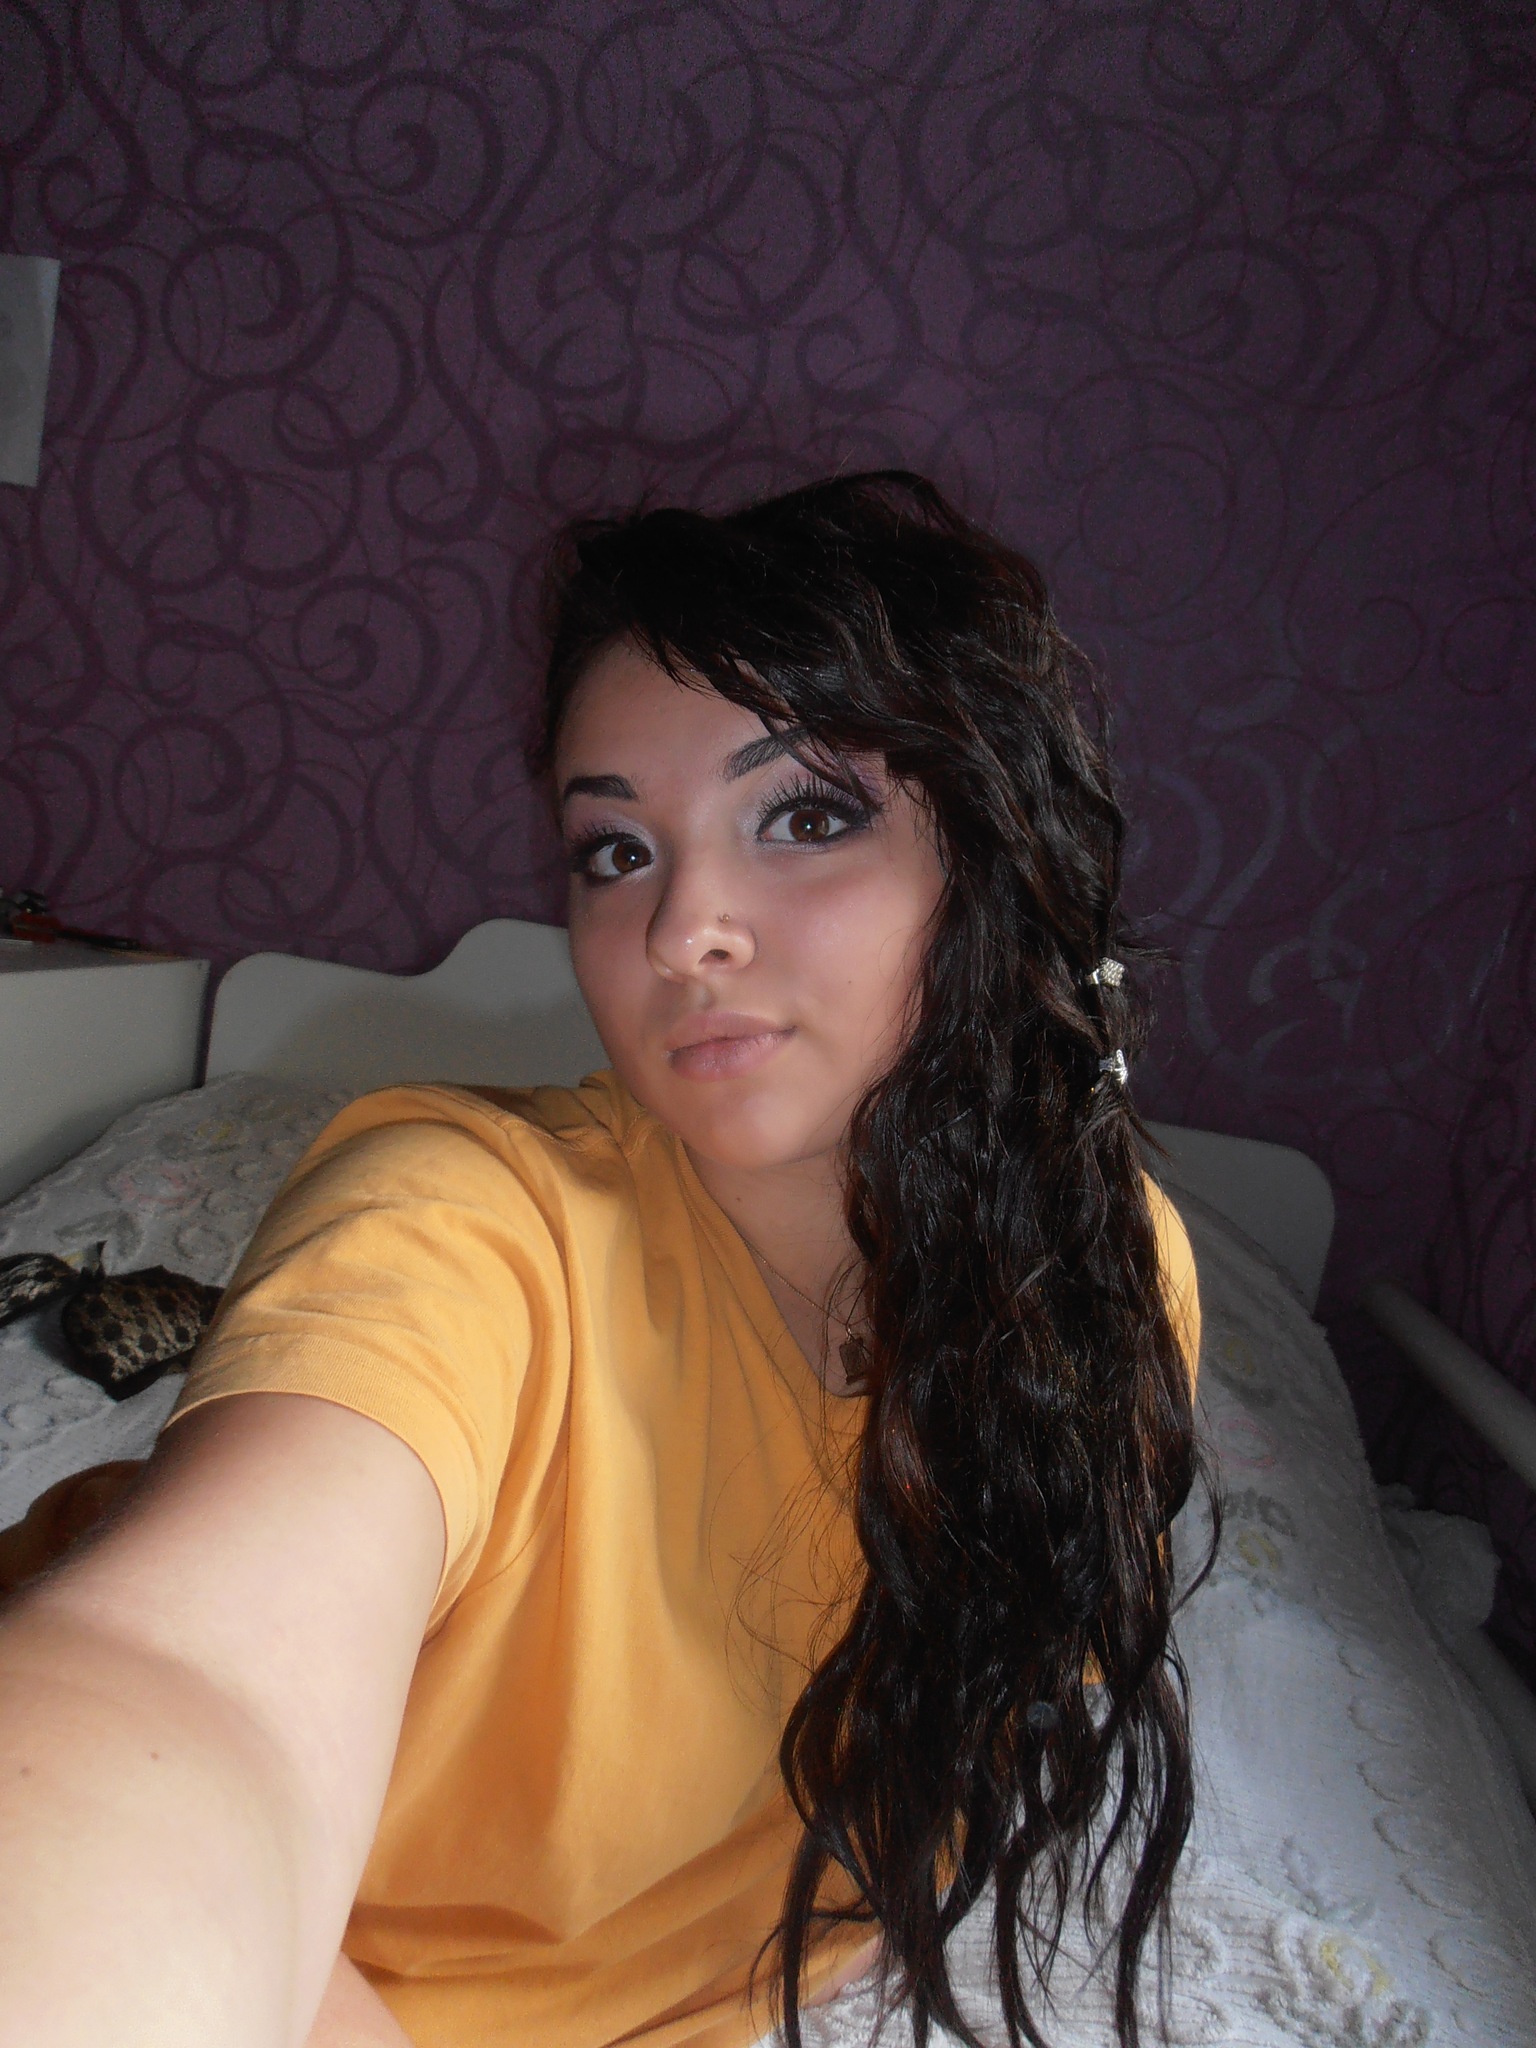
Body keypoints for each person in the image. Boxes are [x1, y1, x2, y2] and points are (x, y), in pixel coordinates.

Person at [0, 472, 1203, 2048]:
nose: (681, 928)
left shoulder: (1106, 1279)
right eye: (615, 850)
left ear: (994, 853)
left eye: (807, 816)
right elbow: (178, 1703)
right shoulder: (459, 1225)